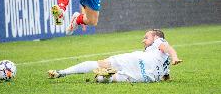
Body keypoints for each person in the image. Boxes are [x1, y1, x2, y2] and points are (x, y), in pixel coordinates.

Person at [48, 29, 182, 83]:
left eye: (146, 37)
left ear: (156, 37)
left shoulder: (159, 41)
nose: (143, 40)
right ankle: (105, 76)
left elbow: (167, 48)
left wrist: (175, 57)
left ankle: (62, 72)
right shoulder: (160, 58)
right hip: (146, 77)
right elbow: (165, 75)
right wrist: (168, 76)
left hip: (138, 60)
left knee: (101, 64)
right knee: (102, 79)